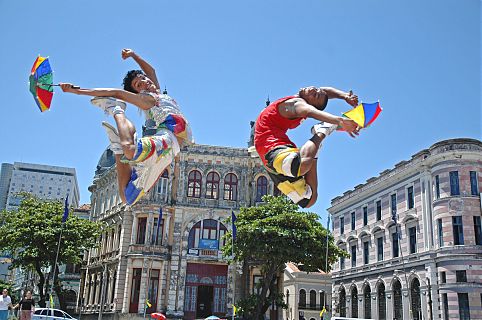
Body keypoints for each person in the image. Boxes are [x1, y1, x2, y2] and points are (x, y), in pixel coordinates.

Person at [61, 48, 192, 205]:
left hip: (170, 152)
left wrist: (133, 55)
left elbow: (151, 70)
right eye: (138, 84)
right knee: (130, 150)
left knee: (128, 197)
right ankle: (117, 110)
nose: (145, 81)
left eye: (143, 78)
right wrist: (77, 91)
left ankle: (117, 147)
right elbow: (117, 92)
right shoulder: (148, 99)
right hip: (168, 139)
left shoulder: (158, 92)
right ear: (138, 92)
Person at [254, 86, 360, 208]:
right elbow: (325, 92)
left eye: (314, 95)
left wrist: (340, 122)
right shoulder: (296, 101)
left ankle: (316, 146)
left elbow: (310, 110)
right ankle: (321, 133)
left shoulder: (299, 103)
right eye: (315, 89)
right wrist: (344, 96)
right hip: (270, 148)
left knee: (309, 200)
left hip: (271, 149)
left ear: (311, 103)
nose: (312, 91)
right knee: (300, 167)